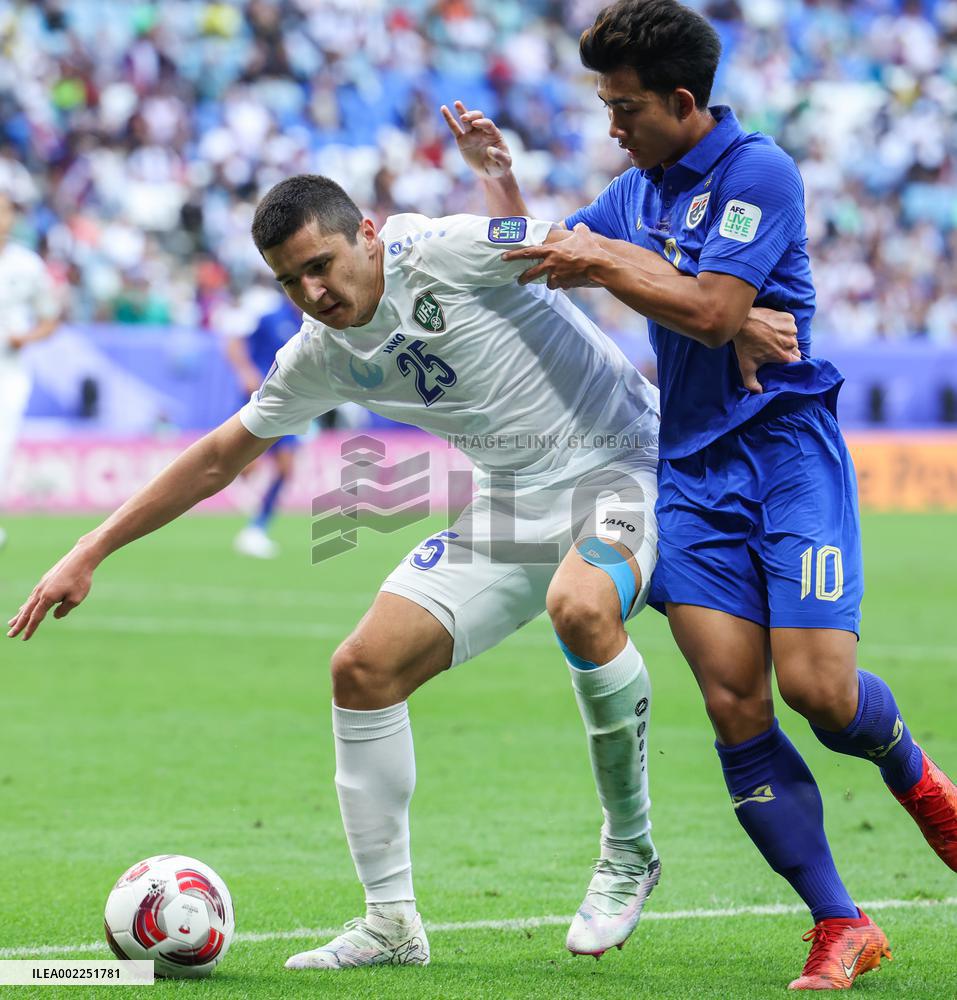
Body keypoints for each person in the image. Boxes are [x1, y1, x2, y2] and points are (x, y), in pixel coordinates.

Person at [8, 174, 794, 972]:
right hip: (511, 506)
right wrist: (90, 549)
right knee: (362, 669)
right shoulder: (319, 354)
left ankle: (628, 851)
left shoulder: (444, 251)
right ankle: (390, 923)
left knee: (582, 608)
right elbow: (218, 459)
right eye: (289, 280)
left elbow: (582, 250)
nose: (312, 292)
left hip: (624, 467)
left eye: (321, 264)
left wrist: (719, 318)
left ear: (369, 234)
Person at [444, 0, 957, 990]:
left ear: (683, 101)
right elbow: (541, 256)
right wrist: (497, 183)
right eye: (604, 105)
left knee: (821, 693)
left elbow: (716, 307)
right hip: (690, 474)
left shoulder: (757, 171)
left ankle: (921, 781)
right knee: (733, 701)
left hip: (787, 456)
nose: (611, 126)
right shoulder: (634, 193)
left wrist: (621, 266)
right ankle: (840, 922)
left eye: (625, 107)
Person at [221, 292, 303, 559]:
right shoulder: (268, 315)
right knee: (246, 468)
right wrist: (245, 372)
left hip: (291, 404)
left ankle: (257, 528)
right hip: (258, 400)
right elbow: (234, 342)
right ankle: (247, 514)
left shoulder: (308, 321)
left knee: (286, 467)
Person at [0, 192, 61, 549]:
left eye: (4, 211)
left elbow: (50, 319)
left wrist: (25, 338)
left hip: (8, 369)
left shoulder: (27, 265)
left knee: (2, 444)